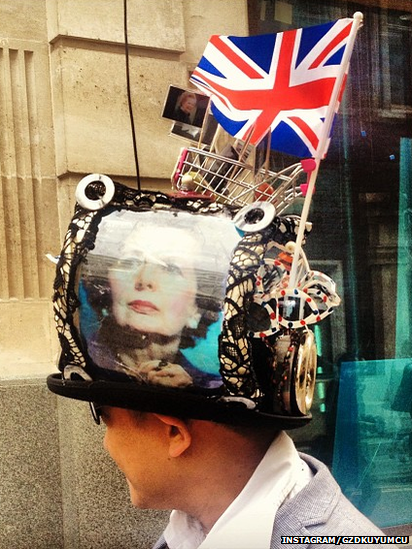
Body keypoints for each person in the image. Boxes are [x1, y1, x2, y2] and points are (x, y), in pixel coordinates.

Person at [48, 177, 388, 549]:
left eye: (103, 417)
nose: (144, 280)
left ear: (174, 433)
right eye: (130, 262)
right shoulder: (195, 529)